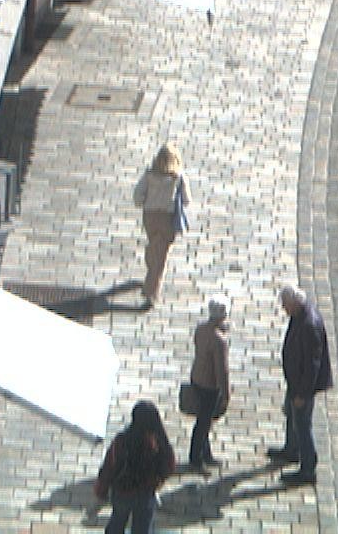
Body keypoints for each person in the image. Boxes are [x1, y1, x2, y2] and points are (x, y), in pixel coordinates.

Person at [267, 285, 332, 485]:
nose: (284, 309)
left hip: (303, 385)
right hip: (295, 381)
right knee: (291, 414)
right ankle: (291, 449)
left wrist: (302, 394)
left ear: (295, 304)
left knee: (303, 424)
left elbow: (313, 365)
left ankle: (308, 468)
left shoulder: (309, 324)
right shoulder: (299, 316)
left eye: (286, 306)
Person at [94, 401, 175, 534]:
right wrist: (158, 481)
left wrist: (101, 490)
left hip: (122, 491)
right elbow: (169, 466)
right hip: (146, 493)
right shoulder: (159, 442)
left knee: (117, 522)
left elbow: (109, 467)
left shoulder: (122, 441)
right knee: (142, 527)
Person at [131, 145, 188, 307]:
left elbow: (137, 196)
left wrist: (145, 201)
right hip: (167, 219)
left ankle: (150, 263)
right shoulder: (179, 177)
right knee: (161, 257)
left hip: (150, 216)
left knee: (153, 245)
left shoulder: (149, 174)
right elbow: (186, 199)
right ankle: (152, 292)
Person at [185, 297, 232, 474]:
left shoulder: (200, 329)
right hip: (209, 385)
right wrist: (226, 394)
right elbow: (222, 370)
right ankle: (196, 459)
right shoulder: (219, 341)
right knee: (204, 423)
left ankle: (206, 453)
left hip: (196, 378)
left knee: (202, 419)